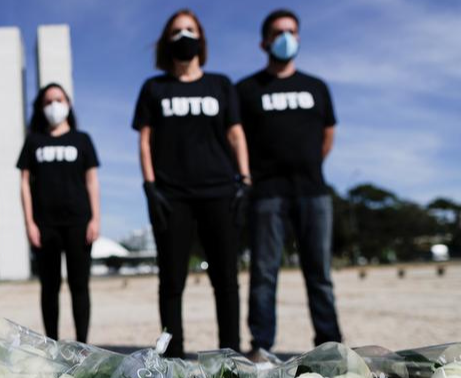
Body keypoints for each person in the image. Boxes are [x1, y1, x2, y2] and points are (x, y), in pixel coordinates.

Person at [133, 9, 251, 358]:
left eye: (190, 29)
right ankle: (173, 357)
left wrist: (244, 179)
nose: (184, 35)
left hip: (219, 191)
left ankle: (230, 357)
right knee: (171, 282)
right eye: (176, 30)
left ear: (201, 37)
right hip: (171, 195)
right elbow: (144, 140)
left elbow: (236, 134)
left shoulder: (220, 85)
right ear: (166, 41)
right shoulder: (154, 87)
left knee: (226, 281)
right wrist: (150, 186)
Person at [236, 9, 342, 354]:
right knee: (264, 275)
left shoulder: (316, 87)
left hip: (312, 192)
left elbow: (328, 134)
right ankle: (262, 346)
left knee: (320, 276)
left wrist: (309, 165)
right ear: (264, 41)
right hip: (266, 194)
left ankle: (329, 345)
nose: (287, 37)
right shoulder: (247, 89)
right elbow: (235, 139)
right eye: (279, 32)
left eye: (292, 31)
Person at [18, 83, 101, 342]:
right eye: (48, 101)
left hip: (78, 221)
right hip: (45, 225)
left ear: (68, 103)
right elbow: (24, 183)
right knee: (49, 288)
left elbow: (92, 181)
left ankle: (82, 345)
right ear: (41, 108)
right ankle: (51, 343)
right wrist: (29, 223)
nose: (54, 105)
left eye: (59, 99)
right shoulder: (34, 141)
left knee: (79, 286)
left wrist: (95, 218)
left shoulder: (82, 139)